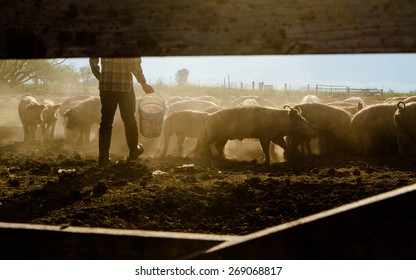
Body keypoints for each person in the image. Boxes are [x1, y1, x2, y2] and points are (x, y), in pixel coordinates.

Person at [89, 57, 154, 166]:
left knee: (106, 121)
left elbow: (93, 59)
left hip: (106, 87)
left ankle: (103, 158)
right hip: (125, 87)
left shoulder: (101, 40)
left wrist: (100, 76)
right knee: (129, 120)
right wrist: (143, 83)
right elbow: (134, 64)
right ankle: (133, 151)